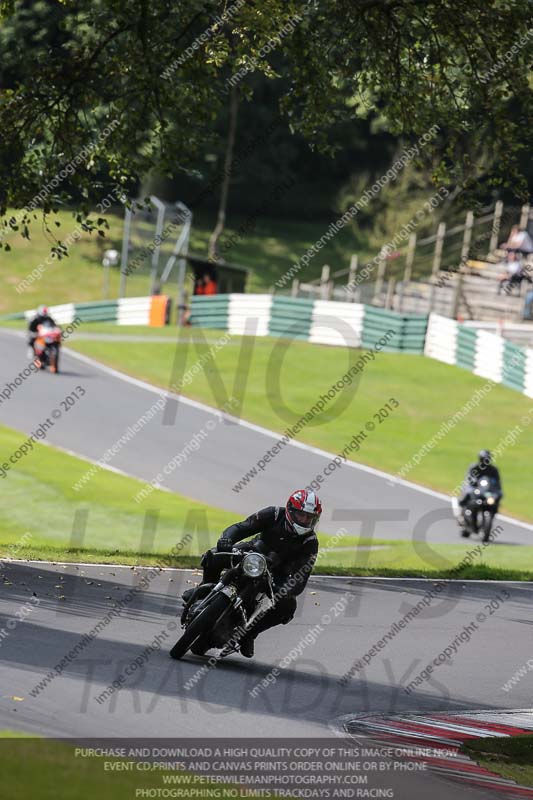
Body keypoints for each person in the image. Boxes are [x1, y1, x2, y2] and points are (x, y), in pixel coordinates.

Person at [182, 490, 322, 658]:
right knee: (213, 556)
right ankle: (204, 590)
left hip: (277, 575)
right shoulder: (274, 514)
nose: (305, 520)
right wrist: (227, 538)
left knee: (288, 606)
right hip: (252, 553)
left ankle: (249, 633)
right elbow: (242, 527)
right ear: (291, 510)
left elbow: (301, 577)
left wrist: (285, 589)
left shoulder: (310, 542)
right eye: (302, 515)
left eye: (310, 518)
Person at [457, 450, 502, 522]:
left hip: (487, 490)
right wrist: (473, 481)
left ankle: (494, 511)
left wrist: (497, 490)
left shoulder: (493, 470)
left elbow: (497, 482)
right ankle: (462, 513)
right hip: (475, 488)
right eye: (484, 459)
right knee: (467, 493)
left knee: (498, 495)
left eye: (487, 459)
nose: (485, 461)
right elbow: (468, 478)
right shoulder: (474, 467)